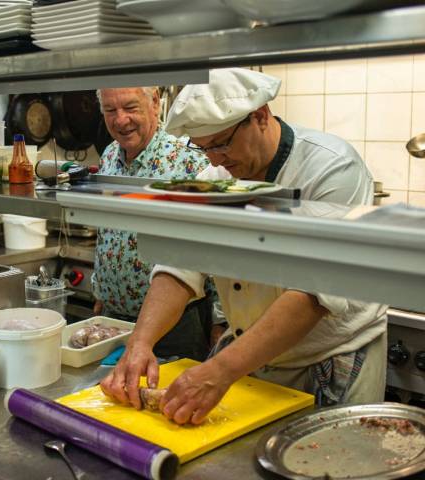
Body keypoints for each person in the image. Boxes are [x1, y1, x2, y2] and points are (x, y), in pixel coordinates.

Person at [100, 68, 387, 424]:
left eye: (221, 143)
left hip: (328, 358)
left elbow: (312, 294)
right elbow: (178, 266)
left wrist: (219, 370)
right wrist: (140, 343)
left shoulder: (331, 169)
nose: (216, 161)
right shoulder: (214, 179)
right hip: (251, 356)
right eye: (203, 149)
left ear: (261, 116)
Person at [93, 87, 215, 360]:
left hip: (177, 324)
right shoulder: (109, 155)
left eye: (130, 108)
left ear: (155, 104)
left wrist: (219, 320)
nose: (120, 120)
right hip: (113, 319)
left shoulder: (190, 160)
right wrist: (100, 289)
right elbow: (106, 229)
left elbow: (215, 245)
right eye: (110, 110)